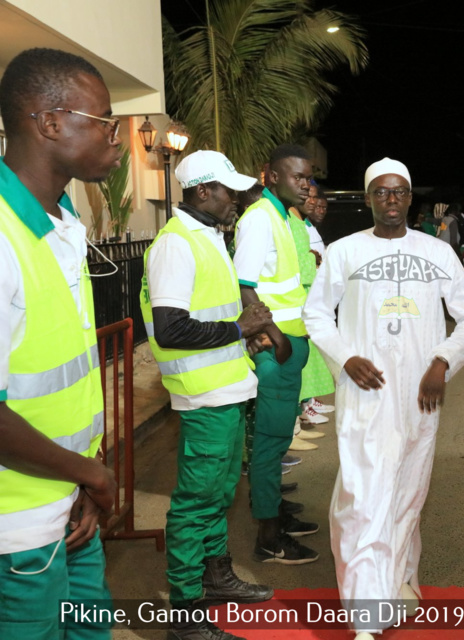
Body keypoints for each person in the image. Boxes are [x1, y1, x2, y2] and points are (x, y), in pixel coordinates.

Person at [304, 158, 464, 640]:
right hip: (366, 394)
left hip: (419, 398)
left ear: (410, 198)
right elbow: (317, 315)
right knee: (363, 496)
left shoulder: (438, 253)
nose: (391, 200)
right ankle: (365, 615)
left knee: (407, 493)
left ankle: (398, 586)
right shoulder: (344, 252)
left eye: (399, 192)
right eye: (381, 192)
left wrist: (443, 361)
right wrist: (345, 357)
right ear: (368, 198)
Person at [0, 46, 120, 640]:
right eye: (105, 122)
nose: (119, 139)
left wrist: (83, 478)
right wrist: (92, 476)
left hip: (70, 506)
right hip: (16, 533)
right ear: (49, 123)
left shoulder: (64, 225)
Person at [140, 150, 275, 639]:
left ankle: (215, 577)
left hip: (226, 388)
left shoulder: (210, 236)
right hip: (203, 395)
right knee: (196, 502)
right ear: (203, 192)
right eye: (228, 190)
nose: (236, 198)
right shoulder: (176, 245)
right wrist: (239, 327)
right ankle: (185, 610)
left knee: (218, 494)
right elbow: (172, 327)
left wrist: (243, 334)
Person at [233, 143, 318, 564]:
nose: (305, 185)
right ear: (270, 175)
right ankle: (268, 536)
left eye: (308, 177)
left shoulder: (281, 216)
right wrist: (276, 337)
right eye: (297, 177)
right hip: (276, 347)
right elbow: (244, 285)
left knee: (279, 437)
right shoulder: (260, 219)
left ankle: (277, 514)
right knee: (268, 445)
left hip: (289, 342)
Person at [288, 181, 335, 430]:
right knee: (300, 367)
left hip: (309, 297)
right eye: (310, 196)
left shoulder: (303, 224)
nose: (314, 202)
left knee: (310, 362)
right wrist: (313, 261)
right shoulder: (290, 222)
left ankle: (306, 407)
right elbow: (300, 264)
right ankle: (297, 420)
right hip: (297, 303)